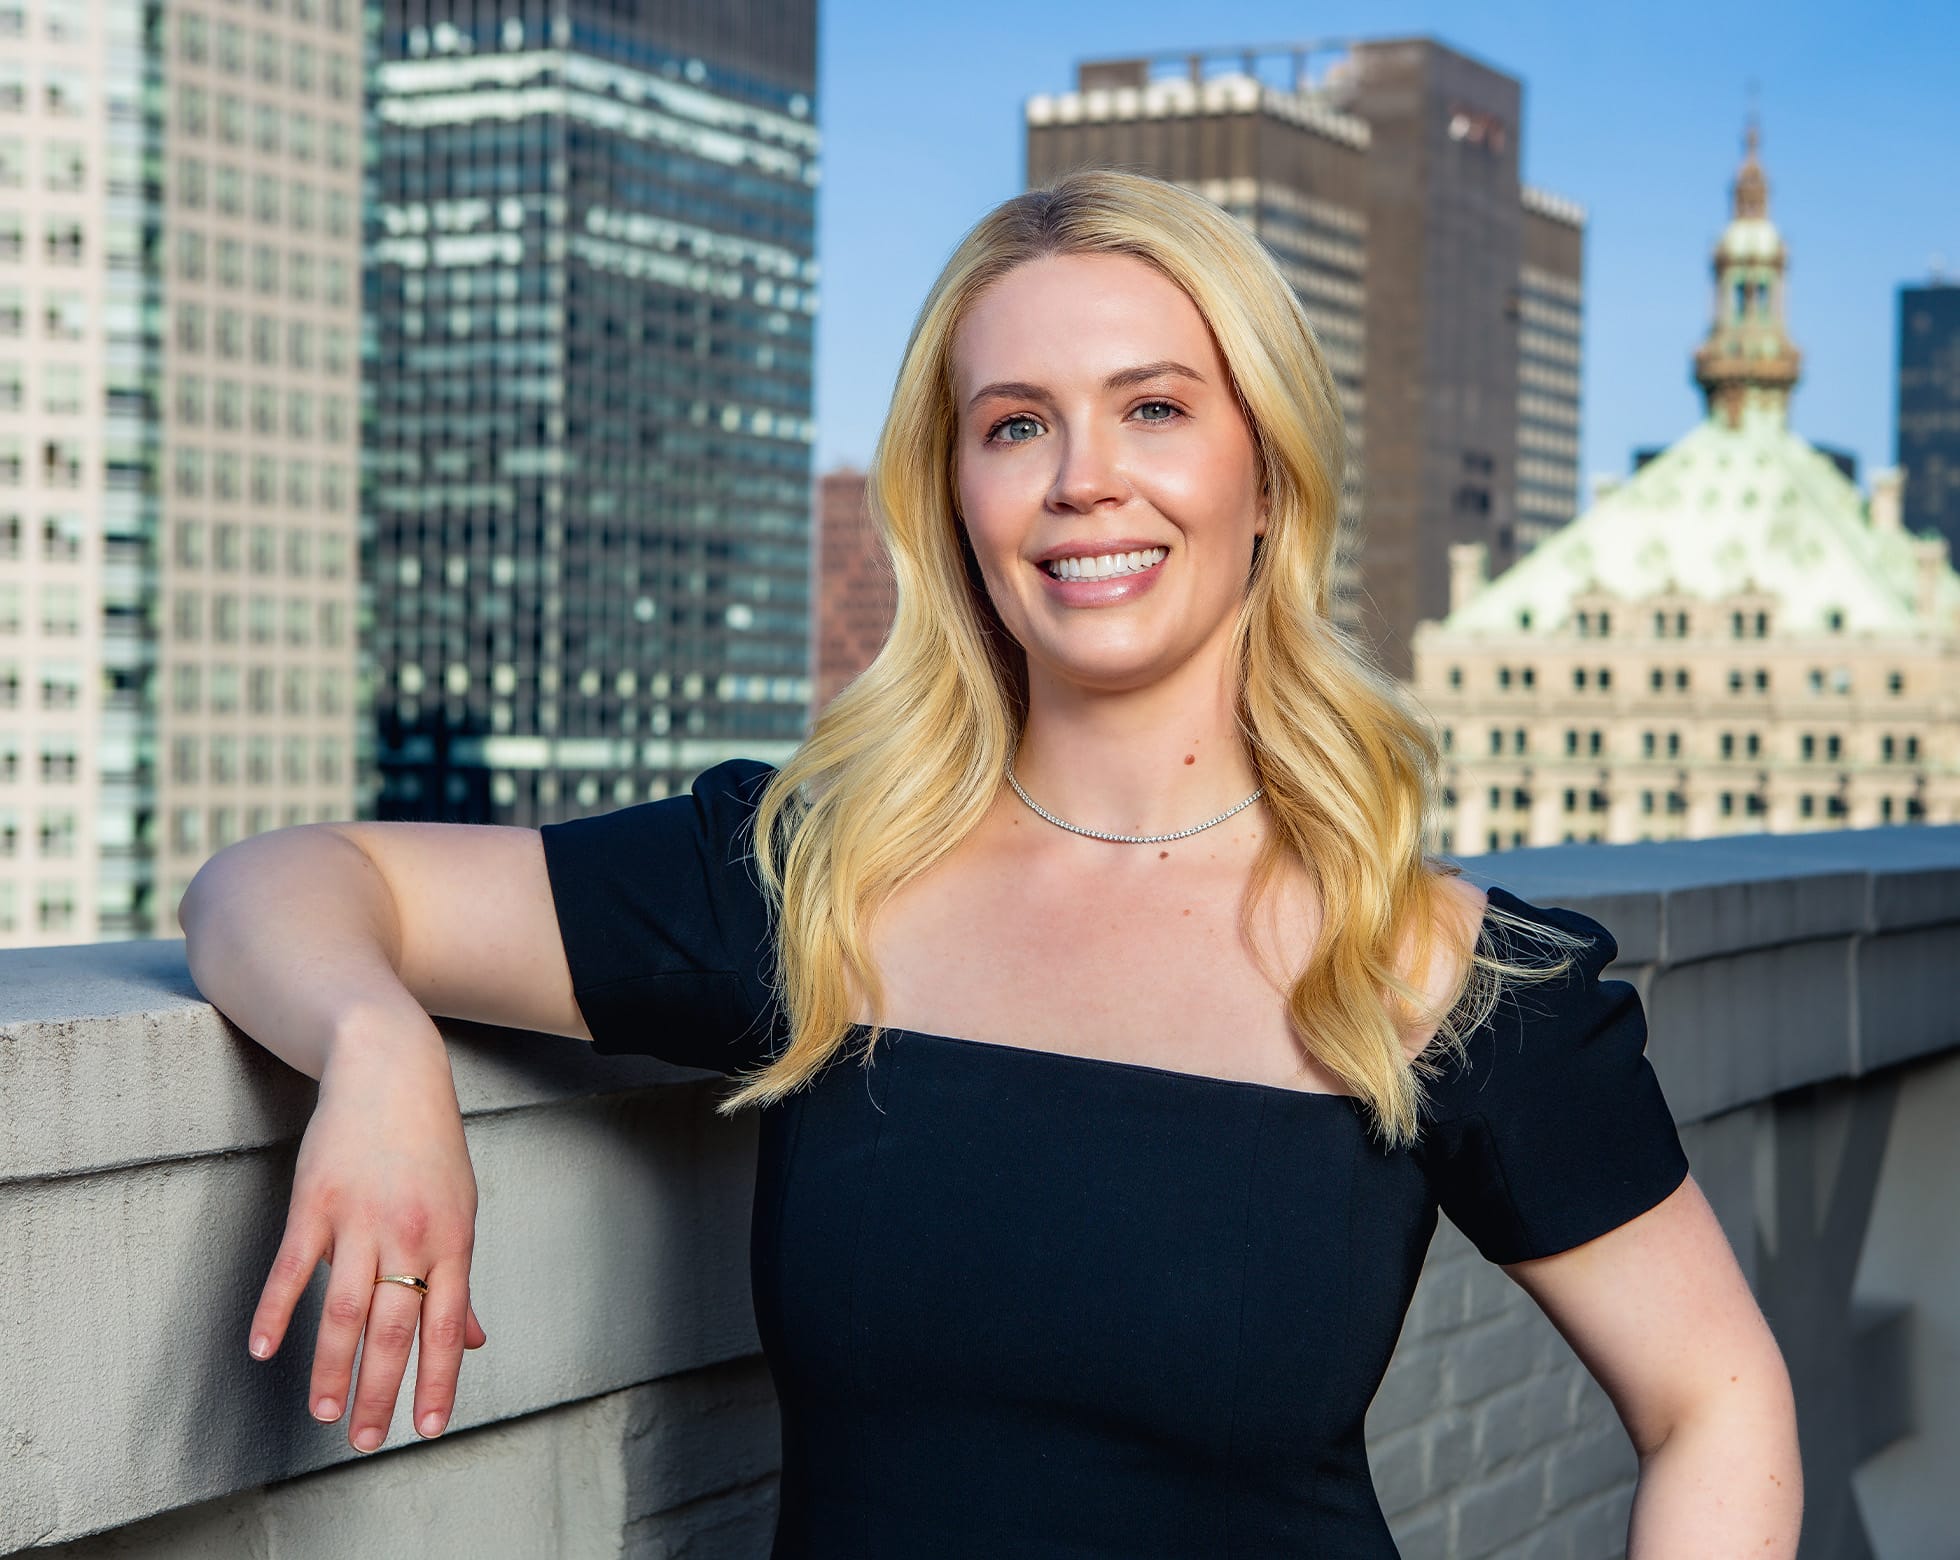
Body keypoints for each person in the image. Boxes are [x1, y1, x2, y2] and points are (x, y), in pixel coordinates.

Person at [181, 169, 1802, 1556]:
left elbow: (1717, 1402)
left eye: (1155, 408)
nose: (1083, 475)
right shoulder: (813, 881)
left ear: (1267, 474)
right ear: (956, 498)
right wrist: (375, 1043)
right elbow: (286, 882)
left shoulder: (1437, 968)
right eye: (1016, 424)